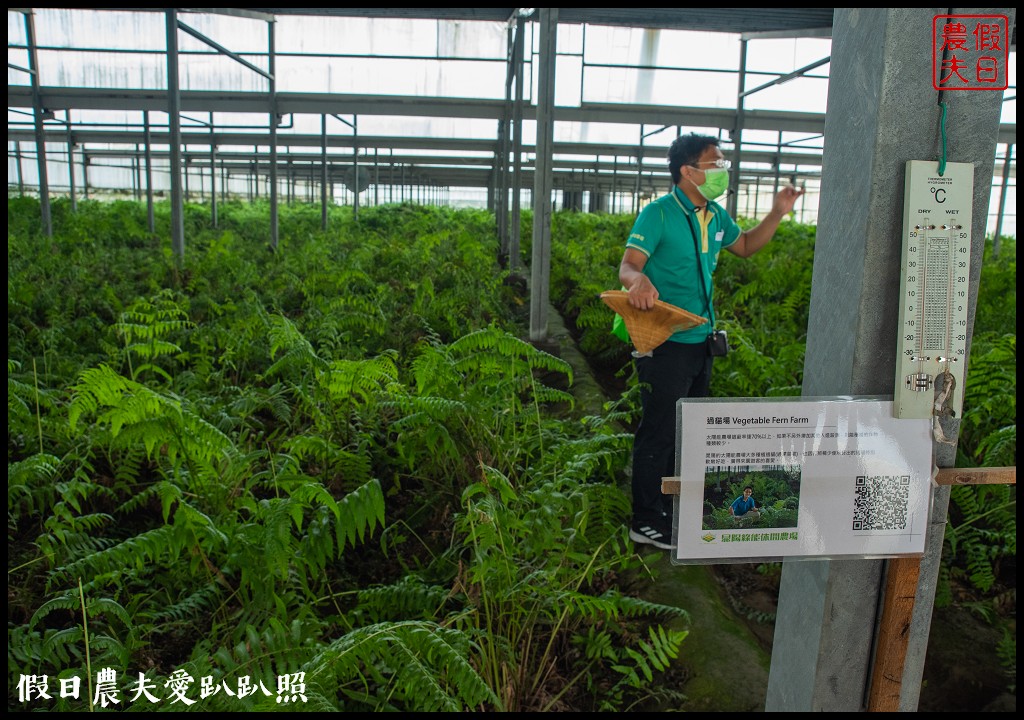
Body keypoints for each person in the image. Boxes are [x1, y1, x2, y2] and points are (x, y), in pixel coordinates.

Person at [621, 133, 803, 549]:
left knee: (685, 432)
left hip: (702, 341)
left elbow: (745, 246)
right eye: (715, 164)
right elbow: (629, 266)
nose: (723, 171)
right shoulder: (659, 214)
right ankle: (645, 519)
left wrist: (777, 213)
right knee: (658, 431)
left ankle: (670, 510)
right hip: (665, 338)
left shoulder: (716, 216)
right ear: (689, 171)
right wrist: (640, 280)